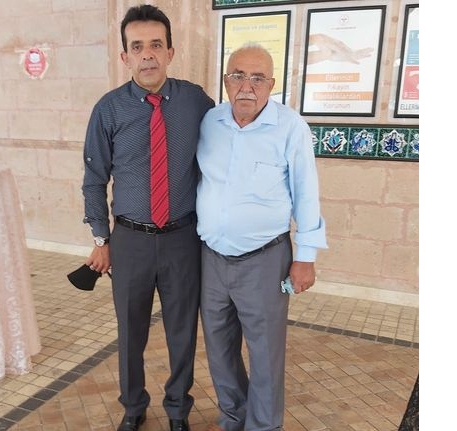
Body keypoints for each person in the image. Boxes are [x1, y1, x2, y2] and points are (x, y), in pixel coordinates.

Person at [81, 4, 215, 431]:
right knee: (130, 333)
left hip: (183, 238)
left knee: (182, 332)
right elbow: (93, 179)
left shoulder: (196, 102)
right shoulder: (108, 110)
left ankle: (178, 410)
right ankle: (133, 406)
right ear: (125, 56)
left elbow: (222, 154)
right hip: (130, 241)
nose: (147, 55)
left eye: (156, 45)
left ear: (170, 52)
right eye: (137, 47)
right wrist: (101, 239)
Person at [196, 43, 328, 431]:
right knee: (219, 348)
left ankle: (264, 426)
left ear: (271, 84)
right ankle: (233, 419)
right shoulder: (210, 122)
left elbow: (306, 193)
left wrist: (305, 257)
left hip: (265, 259)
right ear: (226, 81)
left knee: (265, 353)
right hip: (211, 258)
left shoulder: (290, 127)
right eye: (238, 76)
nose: (247, 87)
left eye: (257, 78)